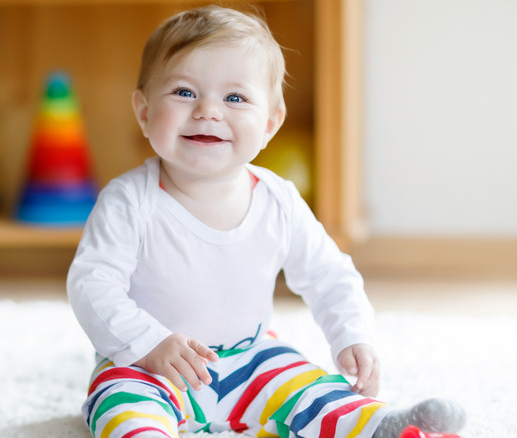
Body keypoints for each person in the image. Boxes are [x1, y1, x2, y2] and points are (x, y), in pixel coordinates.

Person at [67, 5, 466, 438]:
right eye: (184, 92)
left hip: (250, 358)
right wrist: (147, 343)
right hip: (149, 364)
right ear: (144, 112)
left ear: (270, 124)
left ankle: (384, 425)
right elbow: (92, 285)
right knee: (121, 403)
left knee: (309, 386)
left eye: (234, 98)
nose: (207, 111)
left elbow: (329, 275)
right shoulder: (129, 201)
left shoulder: (278, 201)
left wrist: (352, 336)